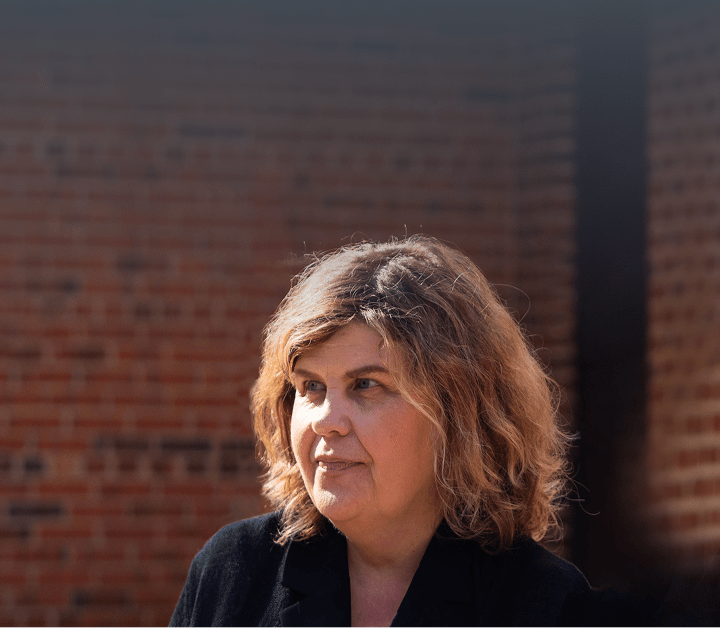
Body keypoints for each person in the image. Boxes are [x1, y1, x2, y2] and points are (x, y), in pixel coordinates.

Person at [169, 236, 641, 627]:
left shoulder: (547, 606)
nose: (325, 419)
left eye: (366, 385)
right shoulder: (233, 575)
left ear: (456, 414)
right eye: (310, 387)